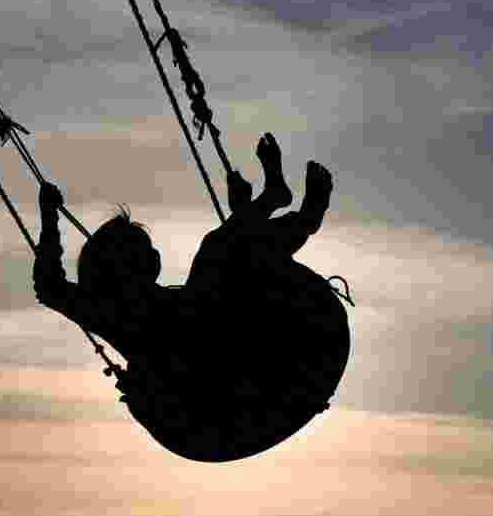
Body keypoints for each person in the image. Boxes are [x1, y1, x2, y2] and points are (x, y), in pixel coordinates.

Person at [33, 133, 334, 364]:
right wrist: (48, 216)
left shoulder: (119, 304)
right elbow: (48, 286)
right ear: (117, 265)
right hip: (198, 370)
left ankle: (265, 204)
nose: (154, 257)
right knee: (217, 252)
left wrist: (240, 218)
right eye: (143, 252)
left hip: (216, 339)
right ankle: (279, 208)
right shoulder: (108, 310)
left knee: (232, 256)